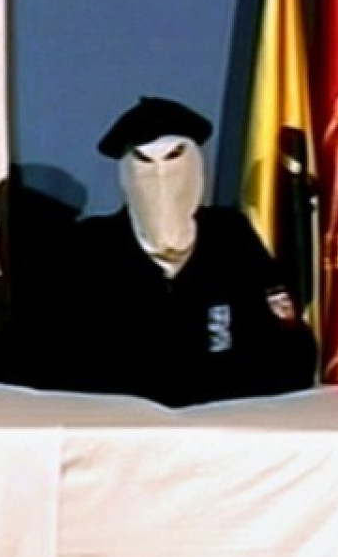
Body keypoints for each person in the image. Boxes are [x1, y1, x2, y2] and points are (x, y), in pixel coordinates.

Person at [51, 96, 317, 406]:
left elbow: (288, 351)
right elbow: (54, 359)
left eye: (174, 158)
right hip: (123, 424)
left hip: (223, 419)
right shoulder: (89, 247)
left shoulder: (230, 238)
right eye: (144, 162)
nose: (161, 176)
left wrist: (214, 388)